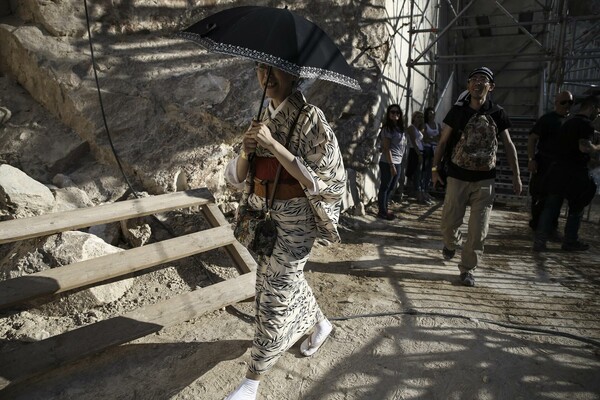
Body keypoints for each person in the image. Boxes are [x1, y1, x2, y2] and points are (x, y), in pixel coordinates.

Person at [223, 63, 346, 400]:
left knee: (273, 294)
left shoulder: (311, 119)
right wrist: (249, 151)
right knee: (276, 278)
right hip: (265, 216)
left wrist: (275, 146)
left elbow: (326, 180)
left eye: (275, 69)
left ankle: (252, 381)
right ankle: (321, 322)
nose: (267, 76)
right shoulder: (262, 116)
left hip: (296, 220)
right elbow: (236, 175)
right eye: (262, 69)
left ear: (295, 75)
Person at [432, 66, 522, 287]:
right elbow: (443, 142)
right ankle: (452, 244)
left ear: (491, 87)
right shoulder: (457, 112)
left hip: (485, 180)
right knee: (448, 225)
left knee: (479, 229)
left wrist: (516, 175)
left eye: (484, 80)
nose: (478, 83)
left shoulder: (497, 113)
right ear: (468, 86)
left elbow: (509, 145)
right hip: (457, 177)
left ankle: (468, 269)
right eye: (474, 79)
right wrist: (435, 170)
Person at [533, 95, 600, 252]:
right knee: (576, 208)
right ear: (592, 107)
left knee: (550, 207)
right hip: (575, 173)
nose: (597, 113)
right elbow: (584, 147)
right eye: (597, 110)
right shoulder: (586, 125)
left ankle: (540, 241)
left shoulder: (566, 122)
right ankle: (570, 241)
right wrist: (597, 148)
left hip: (557, 170)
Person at [527, 91, 574, 230]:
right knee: (540, 196)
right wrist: (531, 159)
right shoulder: (547, 119)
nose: (567, 105)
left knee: (557, 198)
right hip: (545, 164)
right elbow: (532, 138)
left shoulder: (572, 121)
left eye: (570, 102)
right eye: (563, 102)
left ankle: (551, 227)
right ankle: (537, 225)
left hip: (562, 166)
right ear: (556, 103)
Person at [377, 104, 406, 219]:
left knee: (391, 187)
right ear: (388, 114)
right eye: (392, 112)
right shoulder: (387, 129)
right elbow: (386, 148)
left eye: (397, 113)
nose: (395, 115)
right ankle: (382, 212)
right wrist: (391, 165)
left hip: (397, 161)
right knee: (385, 186)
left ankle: (385, 209)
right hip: (388, 162)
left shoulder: (399, 129)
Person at [406, 111, 429, 203]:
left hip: (421, 150)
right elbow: (413, 141)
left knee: (420, 173)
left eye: (422, 117)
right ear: (414, 118)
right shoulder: (411, 128)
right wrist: (418, 154)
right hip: (415, 151)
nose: (420, 119)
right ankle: (418, 196)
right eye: (418, 117)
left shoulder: (419, 129)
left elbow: (423, 140)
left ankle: (420, 194)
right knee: (416, 173)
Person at [421, 106, 441, 202]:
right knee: (426, 169)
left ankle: (428, 190)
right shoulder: (425, 125)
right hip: (428, 149)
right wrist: (433, 138)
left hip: (436, 150)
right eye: (429, 113)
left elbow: (440, 138)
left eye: (432, 113)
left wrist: (432, 138)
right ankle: (423, 190)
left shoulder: (438, 125)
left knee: (433, 169)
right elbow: (425, 138)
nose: (431, 115)